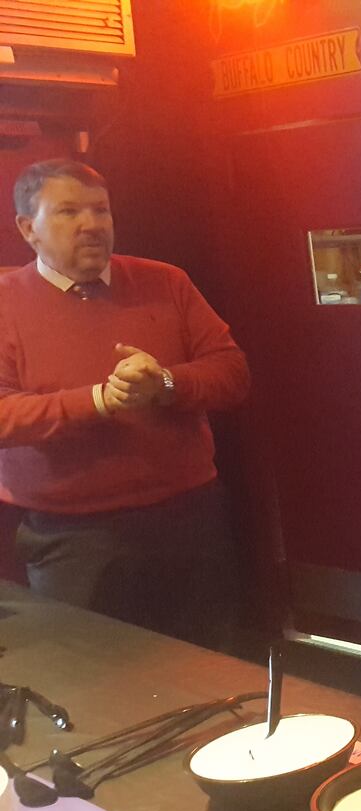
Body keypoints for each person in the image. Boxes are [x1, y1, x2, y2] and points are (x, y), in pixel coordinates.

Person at [0, 159, 250, 648]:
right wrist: (97, 400)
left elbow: (232, 372)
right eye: (69, 211)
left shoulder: (166, 282)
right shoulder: (5, 302)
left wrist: (167, 385)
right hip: (72, 539)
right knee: (99, 682)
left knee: (211, 668)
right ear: (28, 228)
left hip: (188, 522)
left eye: (101, 211)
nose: (92, 224)